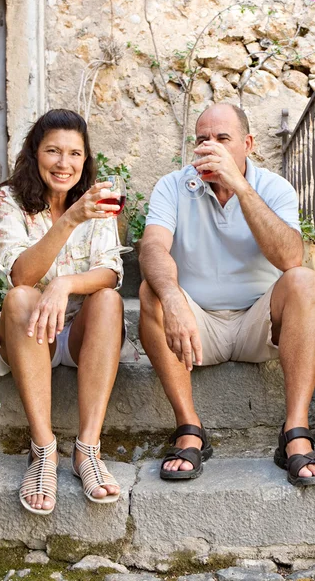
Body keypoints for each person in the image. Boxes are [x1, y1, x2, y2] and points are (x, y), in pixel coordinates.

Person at [139, 102, 315, 486]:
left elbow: (290, 257)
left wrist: (240, 186)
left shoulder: (273, 187)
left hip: (260, 325)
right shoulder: (173, 185)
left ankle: (295, 430)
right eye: (202, 139)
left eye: (222, 138)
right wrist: (171, 298)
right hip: (197, 330)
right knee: (151, 288)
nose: (210, 148)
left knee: (304, 280)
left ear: (247, 144)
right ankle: (189, 428)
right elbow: (152, 247)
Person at [0, 108, 132, 515]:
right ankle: (44, 451)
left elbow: (109, 271)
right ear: (36, 153)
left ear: (85, 159)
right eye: (53, 151)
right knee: (19, 297)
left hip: (83, 331)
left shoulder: (99, 201)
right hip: (31, 332)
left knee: (107, 300)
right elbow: (21, 274)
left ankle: (87, 449)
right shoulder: (10, 199)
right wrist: (68, 220)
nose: (64, 163)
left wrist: (65, 283)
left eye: (74, 153)